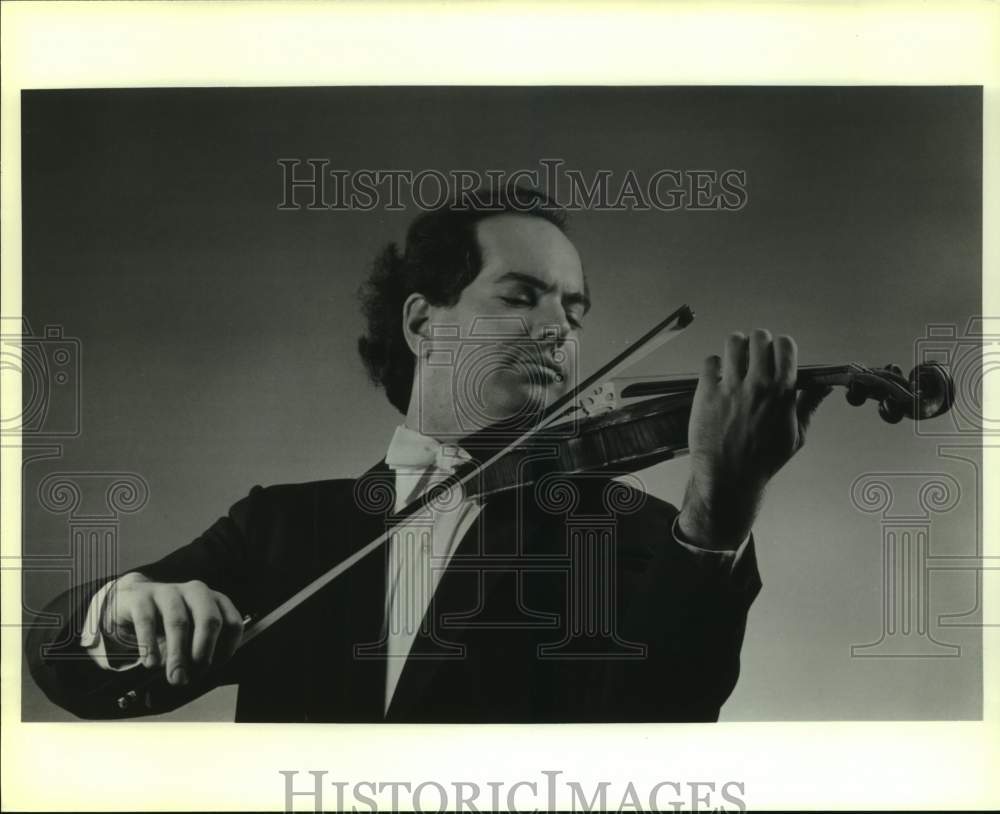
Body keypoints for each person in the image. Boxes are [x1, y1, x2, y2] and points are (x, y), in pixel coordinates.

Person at [25, 186, 826, 722]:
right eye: (520, 297)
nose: (559, 330)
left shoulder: (642, 537)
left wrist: (718, 514)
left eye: (574, 312)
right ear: (421, 323)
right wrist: (122, 612)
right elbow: (69, 667)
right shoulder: (283, 528)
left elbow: (663, 717)